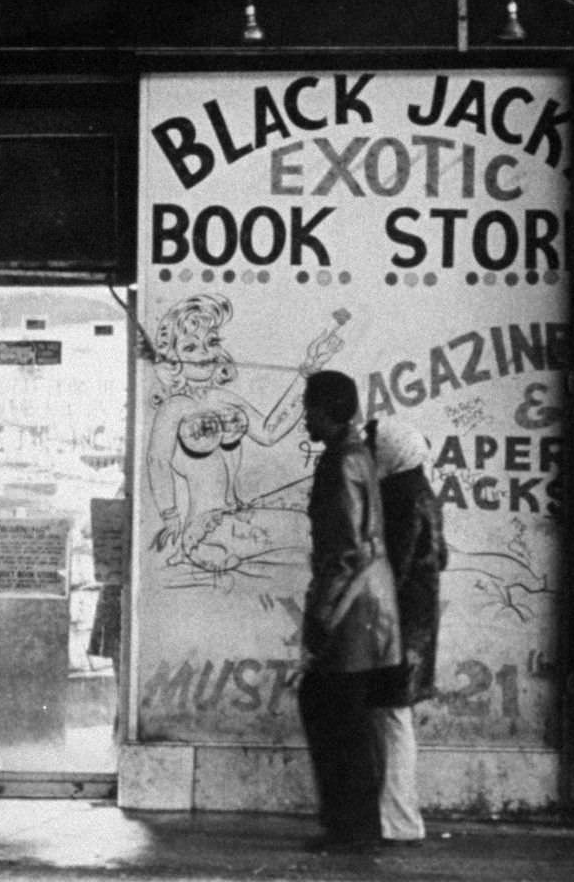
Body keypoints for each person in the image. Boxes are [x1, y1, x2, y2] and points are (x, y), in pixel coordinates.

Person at [146, 293, 348, 586]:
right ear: (173, 360)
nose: (204, 353)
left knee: (317, 496)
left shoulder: (225, 399)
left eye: (211, 342)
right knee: (309, 530)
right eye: (190, 346)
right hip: (204, 532)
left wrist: (308, 371)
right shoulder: (174, 407)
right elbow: (157, 462)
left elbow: (268, 432)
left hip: (237, 515)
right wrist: (169, 518)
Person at [297, 370, 401, 850]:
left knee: (331, 710)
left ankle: (351, 826)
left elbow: (343, 552)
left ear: (331, 410)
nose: (304, 415)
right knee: (347, 715)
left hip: (351, 610)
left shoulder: (339, 462)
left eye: (310, 407)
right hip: (371, 605)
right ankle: (353, 824)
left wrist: (320, 619)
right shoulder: (360, 455)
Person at [364, 415, 448, 845]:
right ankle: (398, 818)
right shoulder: (425, 493)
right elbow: (440, 558)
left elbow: (390, 569)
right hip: (418, 624)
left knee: (392, 721)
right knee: (396, 719)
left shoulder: (398, 495)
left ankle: (398, 821)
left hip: (398, 625)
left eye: (375, 446)